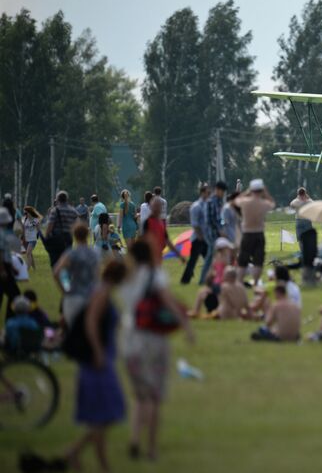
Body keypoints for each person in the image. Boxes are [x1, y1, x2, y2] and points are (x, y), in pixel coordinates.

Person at [121, 239, 194, 461]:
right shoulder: (155, 275)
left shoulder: (125, 277)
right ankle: (151, 449)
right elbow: (167, 301)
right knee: (153, 397)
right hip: (153, 339)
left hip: (129, 339)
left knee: (139, 396)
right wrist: (186, 325)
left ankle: (134, 440)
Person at [63, 259, 128, 472]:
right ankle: (102, 466)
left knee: (107, 415)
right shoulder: (101, 293)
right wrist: (98, 350)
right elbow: (91, 321)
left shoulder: (103, 291)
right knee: (103, 414)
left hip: (104, 357)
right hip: (98, 360)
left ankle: (75, 453)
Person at [53, 223, 100, 326]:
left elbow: (56, 272)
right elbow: (98, 275)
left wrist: (65, 290)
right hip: (90, 297)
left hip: (73, 295)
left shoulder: (71, 253)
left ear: (74, 235)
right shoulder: (95, 254)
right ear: (87, 235)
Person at [234, 179, 275, 284]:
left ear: (252, 190)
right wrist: (265, 193)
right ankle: (256, 282)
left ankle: (239, 281)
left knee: (243, 260)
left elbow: (236, 200)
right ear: (261, 190)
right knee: (258, 261)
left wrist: (247, 192)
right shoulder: (263, 203)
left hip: (247, 233)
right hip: (259, 233)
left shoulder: (245, 202)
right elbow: (272, 203)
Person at [180, 183, 210, 285]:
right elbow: (195, 224)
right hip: (198, 238)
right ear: (202, 193)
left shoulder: (207, 205)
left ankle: (207, 279)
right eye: (207, 192)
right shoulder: (196, 206)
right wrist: (200, 236)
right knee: (193, 261)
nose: (209, 194)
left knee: (208, 260)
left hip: (205, 238)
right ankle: (185, 280)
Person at [142, 197, 185, 266]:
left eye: (158, 206)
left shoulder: (161, 223)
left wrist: (179, 255)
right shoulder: (147, 222)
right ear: (151, 207)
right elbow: (144, 242)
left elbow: (167, 241)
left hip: (158, 258)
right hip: (149, 260)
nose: (157, 208)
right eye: (155, 206)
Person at [199, 181, 227, 283]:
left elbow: (220, 218)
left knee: (213, 257)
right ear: (218, 190)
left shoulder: (219, 202)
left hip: (218, 233)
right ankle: (203, 280)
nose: (223, 194)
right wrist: (220, 230)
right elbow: (210, 220)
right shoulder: (211, 202)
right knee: (210, 257)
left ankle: (214, 278)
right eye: (223, 192)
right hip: (212, 234)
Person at [44, 191, 78, 267]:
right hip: (69, 237)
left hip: (57, 238)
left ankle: (60, 273)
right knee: (67, 257)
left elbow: (50, 226)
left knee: (57, 259)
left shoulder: (55, 211)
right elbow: (77, 226)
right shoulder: (73, 211)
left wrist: (46, 237)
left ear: (58, 199)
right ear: (67, 199)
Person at [0, 208, 21, 320]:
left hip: (6, 266)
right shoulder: (1, 234)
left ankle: (9, 318)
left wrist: (12, 267)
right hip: (3, 267)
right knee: (15, 294)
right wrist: (3, 270)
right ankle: (9, 318)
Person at [22, 206, 42, 270]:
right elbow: (24, 230)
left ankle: (27, 270)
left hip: (33, 239)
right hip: (26, 239)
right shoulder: (25, 220)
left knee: (28, 253)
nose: (25, 215)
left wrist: (38, 236)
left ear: (30, 212)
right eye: (24, 213)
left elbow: (39, 230)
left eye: (26, 213)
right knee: (30, 254)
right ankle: (34, 268)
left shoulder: (36, 220)